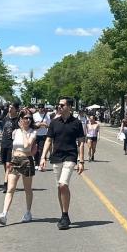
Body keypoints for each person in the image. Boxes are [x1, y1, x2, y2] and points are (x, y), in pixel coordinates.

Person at [38, 98, 85, 230]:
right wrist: (43, 158)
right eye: (58, 105)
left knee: (64, 184)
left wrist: (81, 161)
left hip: (70, 156)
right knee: (60, 186)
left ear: (69, 107)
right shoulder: (54, 122)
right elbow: (48, 140)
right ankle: (64, 214)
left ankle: (65, 215)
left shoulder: (76, 123)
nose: (59, 107)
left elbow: (81, 142)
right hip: (56, 156)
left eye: (62, 105)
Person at [0, 110, 37, 225]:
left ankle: (28, 212)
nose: (27, 120)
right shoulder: (15, 132)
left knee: (27, 189)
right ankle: (4, 214)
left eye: (29, 118)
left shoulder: (32, 132)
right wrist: (11, 161)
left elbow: (27, 145)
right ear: (20, 119)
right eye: (25, 118)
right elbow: (13, 148)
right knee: (10, 188)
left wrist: (23, 131)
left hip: (26, 160)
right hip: (15, 160)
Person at [0, 103, 20, 192]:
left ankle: (6, 183)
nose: (10, 109)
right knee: (5, 164)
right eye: (9, 107)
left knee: (8, 165)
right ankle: (8, 178)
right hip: (4, 143)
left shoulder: (18, 120)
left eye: (12, 107)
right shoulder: (5, 118)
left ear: (16, 109)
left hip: (12, 144)